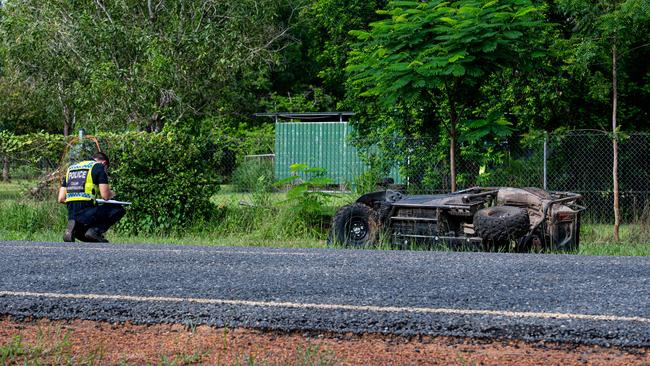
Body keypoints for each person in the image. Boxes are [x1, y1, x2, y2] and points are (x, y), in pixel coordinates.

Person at [58, 152, 125, 243]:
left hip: (72, 213)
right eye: (106, 169)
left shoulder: (71, 168)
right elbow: (105, 196)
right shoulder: (98, 167)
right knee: (119, 209)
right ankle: (95, 230)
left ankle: (74, 226)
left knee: (90, 238)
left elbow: (61, 198)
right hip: (86, 210)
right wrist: (112, 194)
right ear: (104, 163)